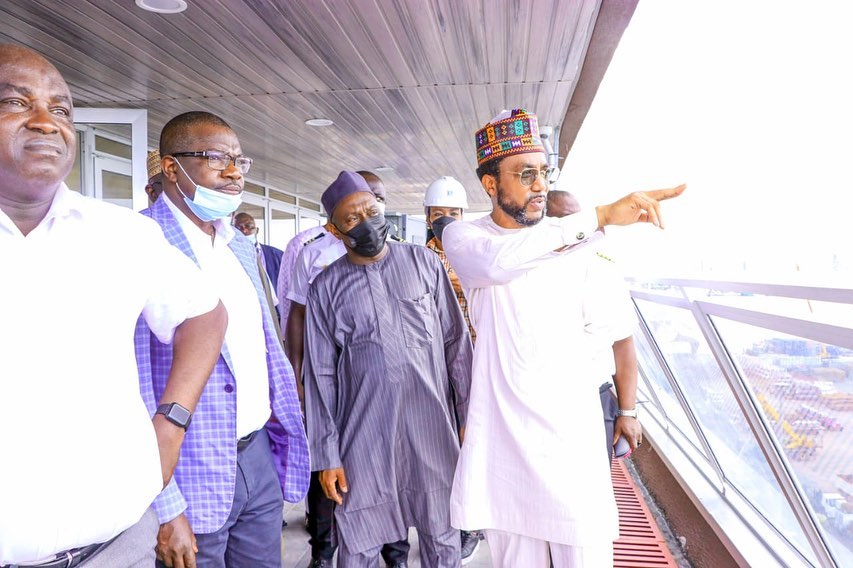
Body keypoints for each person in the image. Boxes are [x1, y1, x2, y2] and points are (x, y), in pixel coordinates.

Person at [0, 44, 227, 568]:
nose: (46, 122)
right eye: (17, 102)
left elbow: (205, 313)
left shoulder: (123, 235)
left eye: (60, 109)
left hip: (115, 548)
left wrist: (171, 424)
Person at [444, 108, 684, 567]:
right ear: (490, 185)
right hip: (505, 450)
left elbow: (619, 336)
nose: (540, 185)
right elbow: (499, 263)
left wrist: (628, 409)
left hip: (571, 448)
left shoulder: (578, 245)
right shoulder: (466, 237)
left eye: (544, 173)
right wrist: (598, 216)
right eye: (525, 174)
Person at [135, 111, 310, 568]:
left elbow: (265, 350)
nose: (233, 172)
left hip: (256, 459)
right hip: (188, 469)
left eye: (238, 160)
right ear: (171, 168)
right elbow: (132, 384)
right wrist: (166, 504)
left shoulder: (239, 246)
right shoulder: (138, 244)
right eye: (215, 158)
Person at [303, 171, 473, 568]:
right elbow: (321, 376)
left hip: (432, 426)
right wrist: (327, 454)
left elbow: (456, 344)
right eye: (352, 219)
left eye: (372, 211)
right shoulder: (325, 288)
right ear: (334, 229)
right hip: (364, 435)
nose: (367, 223)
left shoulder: (425, 263)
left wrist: (468, 416)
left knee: (443, 535)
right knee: (359, 538)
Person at [284, 171, 411, 568]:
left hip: (383, 385)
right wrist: (297, 374)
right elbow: (297, 317)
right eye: (358, 206)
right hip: (333, 381)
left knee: (391, 470)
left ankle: (396, 553)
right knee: (330, 467)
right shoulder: (309, 250)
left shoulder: (404, 255)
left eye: (376, 202)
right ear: (336, 221)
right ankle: (323, 552)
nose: (369, 213)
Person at [545, 190, 640, 464]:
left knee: (591, 493)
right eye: (564, 219)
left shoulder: (605, 272)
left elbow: (623, 345)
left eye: (580, 220)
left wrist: (627, 413)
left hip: (593, 401)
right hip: (539, 398)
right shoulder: (524, 273)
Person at [422, 176, 485, 564]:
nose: (445, 219)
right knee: (445, 446)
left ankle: (472, 525)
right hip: (436, 363)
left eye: (453, 213)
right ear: (427, 217)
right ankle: (449, 524)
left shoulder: (476, 251)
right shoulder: (421, 256)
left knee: (473, 442)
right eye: (438, 214)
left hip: (479, 360)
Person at [234, 211, 284, 293]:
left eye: (249, 226)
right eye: (238, 228)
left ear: (257, 230)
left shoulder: (277, 255)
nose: (244, 231)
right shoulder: (229, 256)